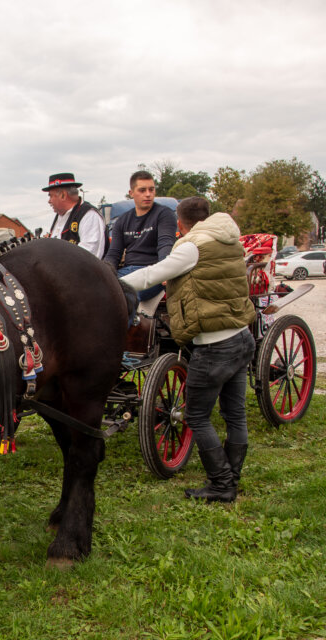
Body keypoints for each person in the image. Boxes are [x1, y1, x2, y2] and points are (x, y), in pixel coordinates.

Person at [120, 197, 255, 503]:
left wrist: (108, 283)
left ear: (180, 224)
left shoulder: (192, 247)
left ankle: (222, 484)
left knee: (195, 416)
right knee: (235, 415)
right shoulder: (231, 241)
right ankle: (230, 479)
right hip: (241, 337)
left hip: (214, 345)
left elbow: (150, 275)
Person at [104, 170, 177, 301]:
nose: (148, 194)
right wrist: (103, 274)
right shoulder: (122, 220)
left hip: (153, 272)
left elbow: (165, 243)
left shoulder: (164, 214)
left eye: (151, 189)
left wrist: (165, 270)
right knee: (96, 293)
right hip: (127, 272)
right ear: (131, 193)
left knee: (124, 298)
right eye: (142, 190)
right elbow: (114, 253)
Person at [42, 173, 106, 258]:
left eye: (51, 196)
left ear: (63, 195)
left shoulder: (89, 215)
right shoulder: (60, 216)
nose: (49, 201)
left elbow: (88, 255)